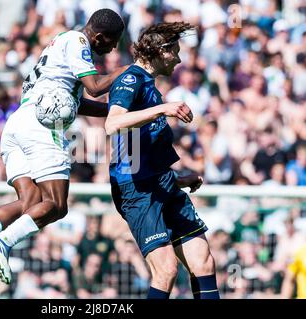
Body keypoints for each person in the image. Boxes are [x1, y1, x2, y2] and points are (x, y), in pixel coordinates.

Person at [0, 8, 127, 284]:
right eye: (113, 40)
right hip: (42, 126)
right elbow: (94, 87)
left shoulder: (60, 43)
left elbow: (78, 102)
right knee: (57, 205)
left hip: (18, 122)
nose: (115, 46)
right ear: (98, 36)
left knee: (30, 202)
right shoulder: (78, 42)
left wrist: (111, 111)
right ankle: (4, 241)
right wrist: (129, 70)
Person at [104, 22, 219, 299]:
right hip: (139, 191)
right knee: (166, 270)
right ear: (159, 51)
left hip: (164, 183)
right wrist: (164, 109)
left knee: (203, 261)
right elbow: (112, 124)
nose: (179, 59)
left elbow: (139, 147)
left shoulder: (150, 86)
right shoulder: (130, 80)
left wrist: (178, 179)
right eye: (175, 52)